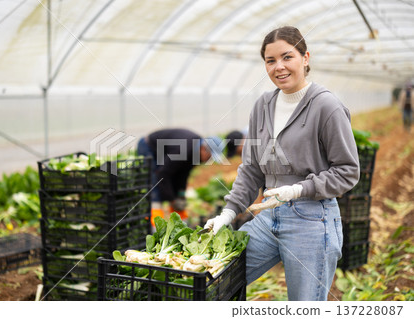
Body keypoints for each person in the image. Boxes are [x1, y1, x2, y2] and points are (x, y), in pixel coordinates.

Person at [204, 26, 360, 301]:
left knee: (304, 306)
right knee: (217, 284)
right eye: (270, 60)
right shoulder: (263, 106)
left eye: (287, 57)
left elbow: (347, 172)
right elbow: (252, 168)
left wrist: (297, 190)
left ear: (305, 58)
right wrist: (227, 214)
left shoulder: (327, 107)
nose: (279, 67)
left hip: (313, 220)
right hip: (268, 218)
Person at [137, 128, 222, 228]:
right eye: (210, 156)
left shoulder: (195, 153)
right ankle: (153, 228)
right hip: (149, 147)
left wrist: (180, 197)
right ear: (204, 149)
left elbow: (183, 175)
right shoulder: (184, 149)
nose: (209, 160)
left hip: (165, 155)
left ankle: (180, 227)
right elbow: (163, 174)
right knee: (155, 185)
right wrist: (171, 199)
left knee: (177, 198)